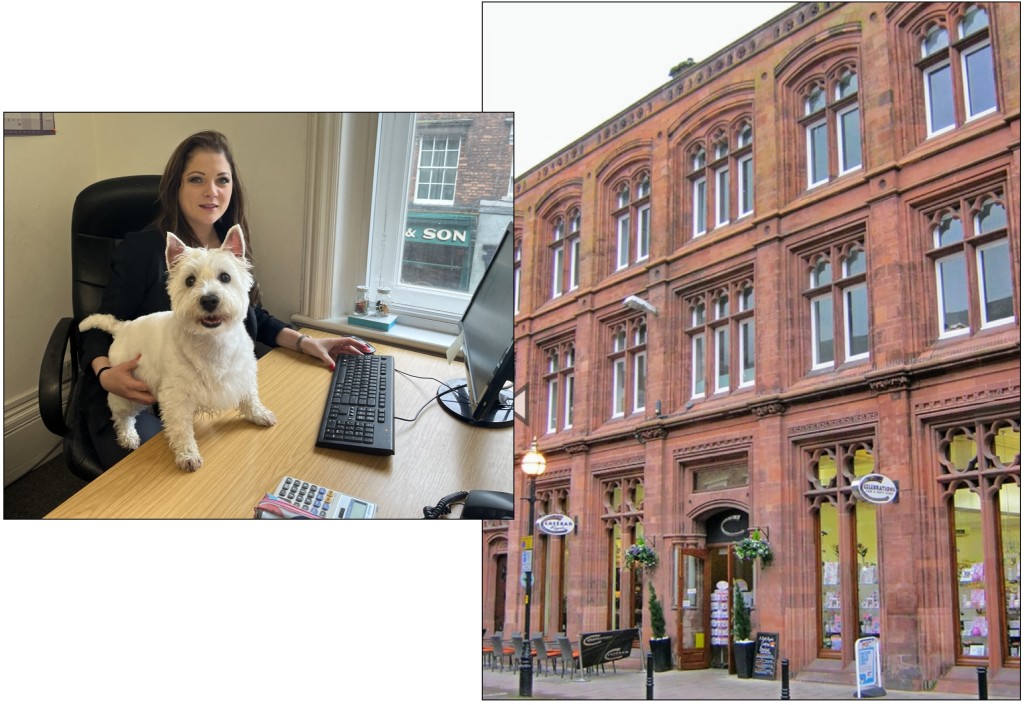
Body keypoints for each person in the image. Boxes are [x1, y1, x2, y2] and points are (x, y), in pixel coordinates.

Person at [80, 130, 369, 470]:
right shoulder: (143, 250)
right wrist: (105, 374)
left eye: (222, 180)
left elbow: (252, 316)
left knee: (267, 453)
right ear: (176, 186)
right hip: (141, 389)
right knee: (154, 475)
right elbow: (101, 325)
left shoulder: (230, 244)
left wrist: (307, 342)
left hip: (207, 382)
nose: (212, 191)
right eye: (197, 179)